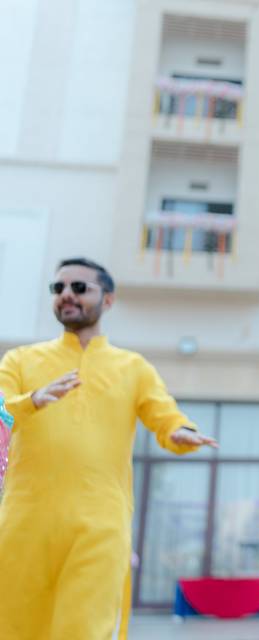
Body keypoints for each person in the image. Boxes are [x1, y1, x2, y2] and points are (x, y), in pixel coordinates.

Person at [0, 257, 217, 639]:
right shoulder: (20, 360)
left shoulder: (133, 367)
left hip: (99, 523)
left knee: (86, 628)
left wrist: (179, 430)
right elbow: (2, 408)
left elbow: (162, 414)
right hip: (24, 522)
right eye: (59, 288)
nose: (67, 295)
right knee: (16, 626)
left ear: (109, 300)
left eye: (79, 287)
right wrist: (32, 399)